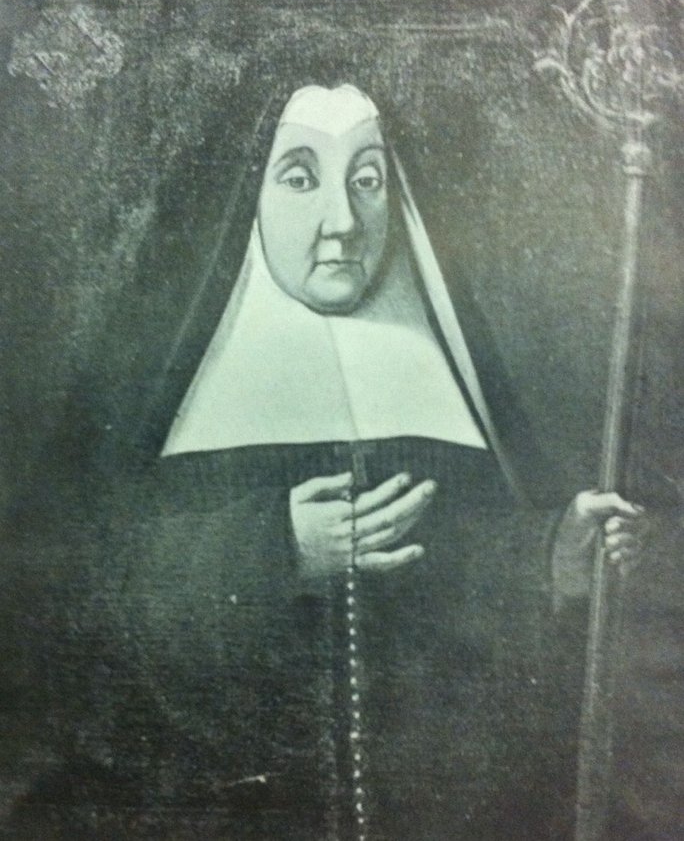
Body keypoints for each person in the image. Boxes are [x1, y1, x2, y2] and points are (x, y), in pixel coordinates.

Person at [8, 84, 644, 840]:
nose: (343, 221)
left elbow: (447, 585)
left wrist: (548, 559)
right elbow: (74, 599)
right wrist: (271, 550)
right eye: (301, 178)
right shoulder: (153, 378)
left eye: (367, 180)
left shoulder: (444, 366)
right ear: (250, 192)